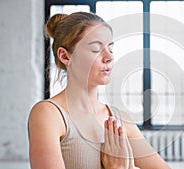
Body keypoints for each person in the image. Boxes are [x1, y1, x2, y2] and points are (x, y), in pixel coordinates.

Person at [28, 12, 170, 169]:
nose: (109, 57)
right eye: (96, 49)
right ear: (65, 56)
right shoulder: (48, 114)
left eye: (111, 49)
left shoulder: (120, 119)